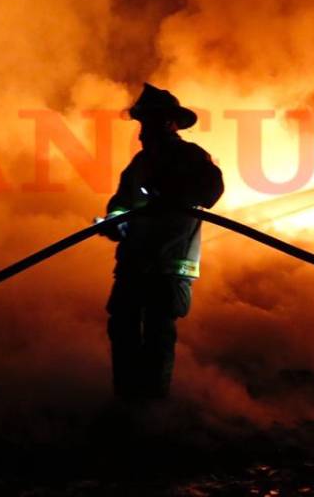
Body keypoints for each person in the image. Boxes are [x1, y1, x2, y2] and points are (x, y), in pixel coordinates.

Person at [100, 84, 224, 399]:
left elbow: (211, 192)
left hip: (169, 266)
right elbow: (120, 202)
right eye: (141, 123)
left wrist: (170, 193)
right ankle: (126, 401)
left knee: (157, 335)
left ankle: (152, 410)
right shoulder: (138, 165)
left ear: (169, 123)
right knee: (123, 329)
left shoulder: (192, 157)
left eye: (149, 122)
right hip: (133, 264)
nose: (142, 132)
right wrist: (114, 222)